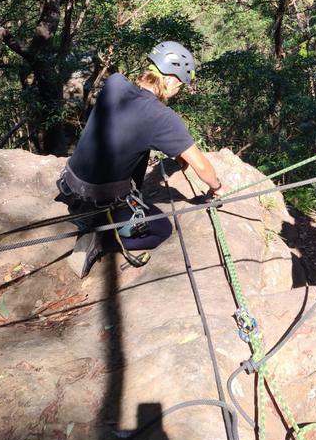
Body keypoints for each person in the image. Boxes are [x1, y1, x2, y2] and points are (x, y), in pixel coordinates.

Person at [57, 41, 222, 278]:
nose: (178, 92)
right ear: (172, 80)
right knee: (162, 229)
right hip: (100, 200)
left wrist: (176, 150)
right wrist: (216, 188)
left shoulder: (115, 83)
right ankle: (102, 238)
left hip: (70, 183)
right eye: (180, 86)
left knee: (140, 148)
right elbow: (202, 166)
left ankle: (98, 219)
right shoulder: (162, 117)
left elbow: (126, 128)